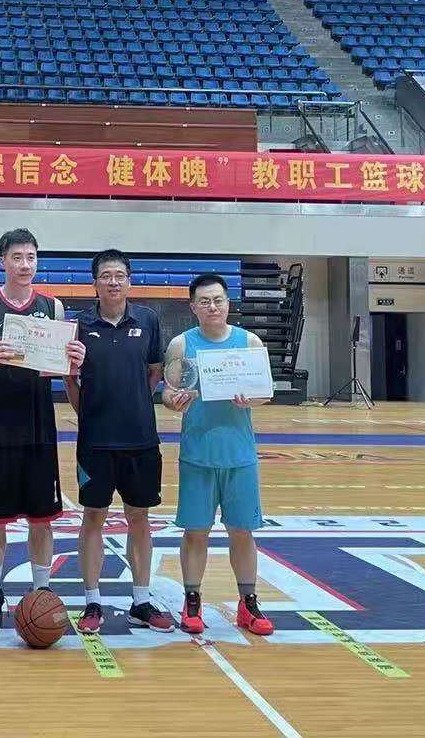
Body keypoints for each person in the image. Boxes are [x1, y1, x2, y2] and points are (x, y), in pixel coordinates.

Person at [0, 227, 86, 636]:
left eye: (31, 257)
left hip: (39, 422)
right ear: (3, 261)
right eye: (17, 257)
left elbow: (62, 367)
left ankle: (42, 592)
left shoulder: (53, 306)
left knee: (42, 518)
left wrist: (74, 360)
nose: (25, 264)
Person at [67, 249, 175, 633]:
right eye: (106, 276)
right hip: (95, 441)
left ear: (129, 280)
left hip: (140, 439)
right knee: (93, 517)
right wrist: (91, 414)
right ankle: (92, 601)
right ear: (94, 283)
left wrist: (135, 403)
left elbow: (154, 371)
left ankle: (141, 601)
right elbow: (71, 379)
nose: (113, 282)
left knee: (139, 518)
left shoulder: (148, 320)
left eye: (119, 275)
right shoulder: (79, 325)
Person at [162, 272, 275, 637]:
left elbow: (265, 392)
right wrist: (175, 402)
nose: (213, 306)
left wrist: (251, 399)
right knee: (196, 532)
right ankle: (192, 599)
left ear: (228, 303)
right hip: (198, 453)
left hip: (239, 454)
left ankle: (248, 602)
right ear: (193, 307)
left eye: (218, 300)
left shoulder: (249, 341)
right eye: (205, 301)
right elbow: (168, 393)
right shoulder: (181, 344)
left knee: (242, 531)